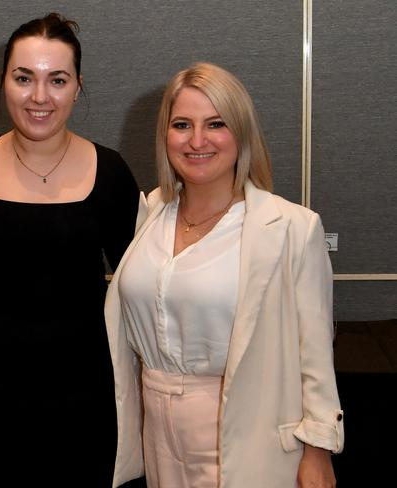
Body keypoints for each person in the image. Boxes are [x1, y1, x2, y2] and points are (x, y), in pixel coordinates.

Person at [105, 62, 344, 488]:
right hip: (158, 434)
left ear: (241, 134)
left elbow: (316, 353)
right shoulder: (153, 210)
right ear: (165, 135)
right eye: (182, 125)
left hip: (247, 429)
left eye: (215, 124)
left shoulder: (292, 227)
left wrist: (319, 448)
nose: (197, 141)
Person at [0, 13, 140, 487]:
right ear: (4, 82)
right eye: (23, 78)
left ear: (77, 87)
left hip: (88, 391)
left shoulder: (111, 172)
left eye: (57, 80)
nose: (39, 97)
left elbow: (143, 288)